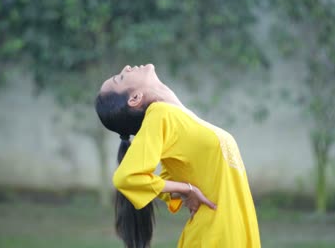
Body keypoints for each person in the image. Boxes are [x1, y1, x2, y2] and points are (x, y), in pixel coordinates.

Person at [94, 64, 261, 248]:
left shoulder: (177, 117)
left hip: (234, 231)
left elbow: (172, 174)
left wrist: (178, 190)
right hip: (215, 236)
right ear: (135, 98)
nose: (126, 68)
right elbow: (126, 178)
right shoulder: (160, 114)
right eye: (121, 78)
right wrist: (187, 189)